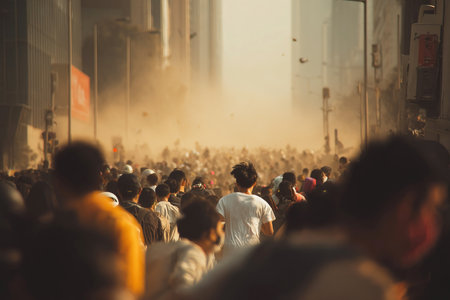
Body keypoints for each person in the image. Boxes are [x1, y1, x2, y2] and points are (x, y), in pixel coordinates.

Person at [186, 136, 448, 300]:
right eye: (429, 208)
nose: (432, 225)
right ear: (402, 207)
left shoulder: (265, 258)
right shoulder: (365, 285)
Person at [53, 141, 145, 297]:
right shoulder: (121, 223)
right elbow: (131, 287)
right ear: (100, 175)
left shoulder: (49, 224)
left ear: (58, 180)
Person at [145, 199, 224, 299]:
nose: (222, 234)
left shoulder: (156, 248)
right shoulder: (193, 253)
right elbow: (182, 284)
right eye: (220, 229)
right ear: (210, 233)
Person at [216, 162, 275, 256]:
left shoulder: (224, 201)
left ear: (236, 184)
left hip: (230, 251)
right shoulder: (262, 204)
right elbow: (269, 232)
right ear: (255, 183)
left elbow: (218, 225)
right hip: (252, 251)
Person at [117, 174, 163, 246]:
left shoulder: (106, 215)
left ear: (118, 192)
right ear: (140, 191)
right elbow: (159, 249)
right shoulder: (150, 217)